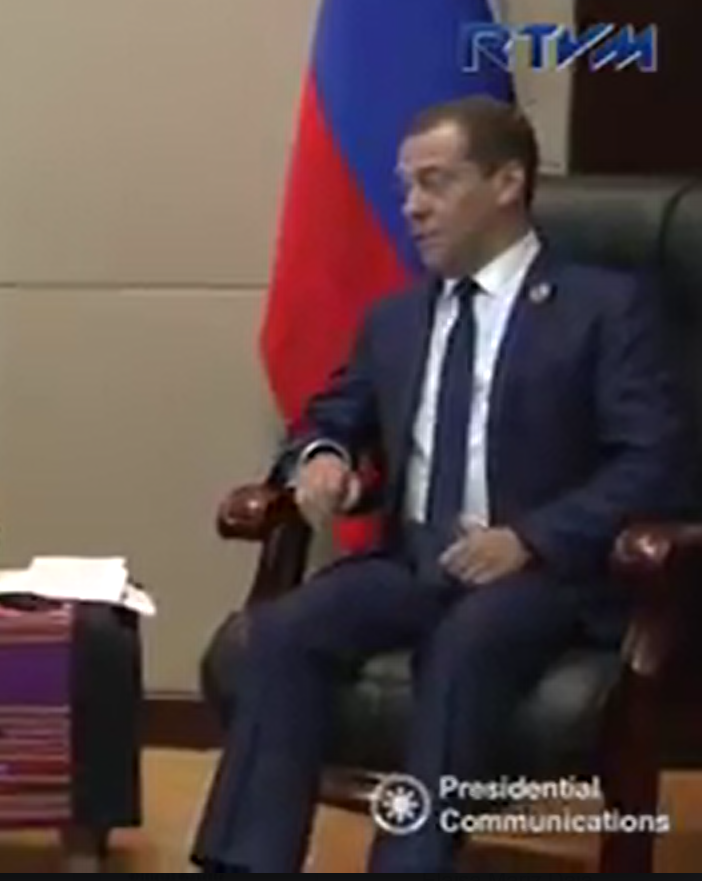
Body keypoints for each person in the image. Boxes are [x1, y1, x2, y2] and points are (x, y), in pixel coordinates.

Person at [188, 95, 692, 872]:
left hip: (548, 575)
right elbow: (329, 417)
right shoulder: (396, 319)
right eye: (405, 188)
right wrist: (322, 457)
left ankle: (411, 863)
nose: (413, 207)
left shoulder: (604, 307)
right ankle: (244, 862)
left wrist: (531, 538)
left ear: (507, 183)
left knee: (467, 640)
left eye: (435, 182)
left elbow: (654, 458)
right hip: (415, 561)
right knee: (284, 630)